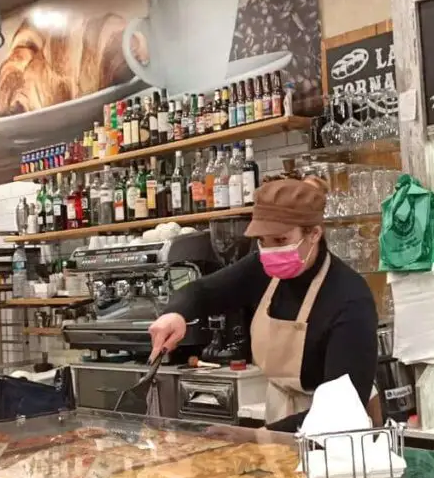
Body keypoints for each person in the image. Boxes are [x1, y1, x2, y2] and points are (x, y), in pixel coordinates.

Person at [148, 176, 379, 432]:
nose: (268, 252)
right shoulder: (262, 270)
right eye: (262, 241)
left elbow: (342, 409)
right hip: (280, 417)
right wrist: (175, 314)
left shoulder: (350, 297)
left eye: (280, 241)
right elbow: (203, 291)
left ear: (314, 233)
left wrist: (256, 438)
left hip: (337, 435)